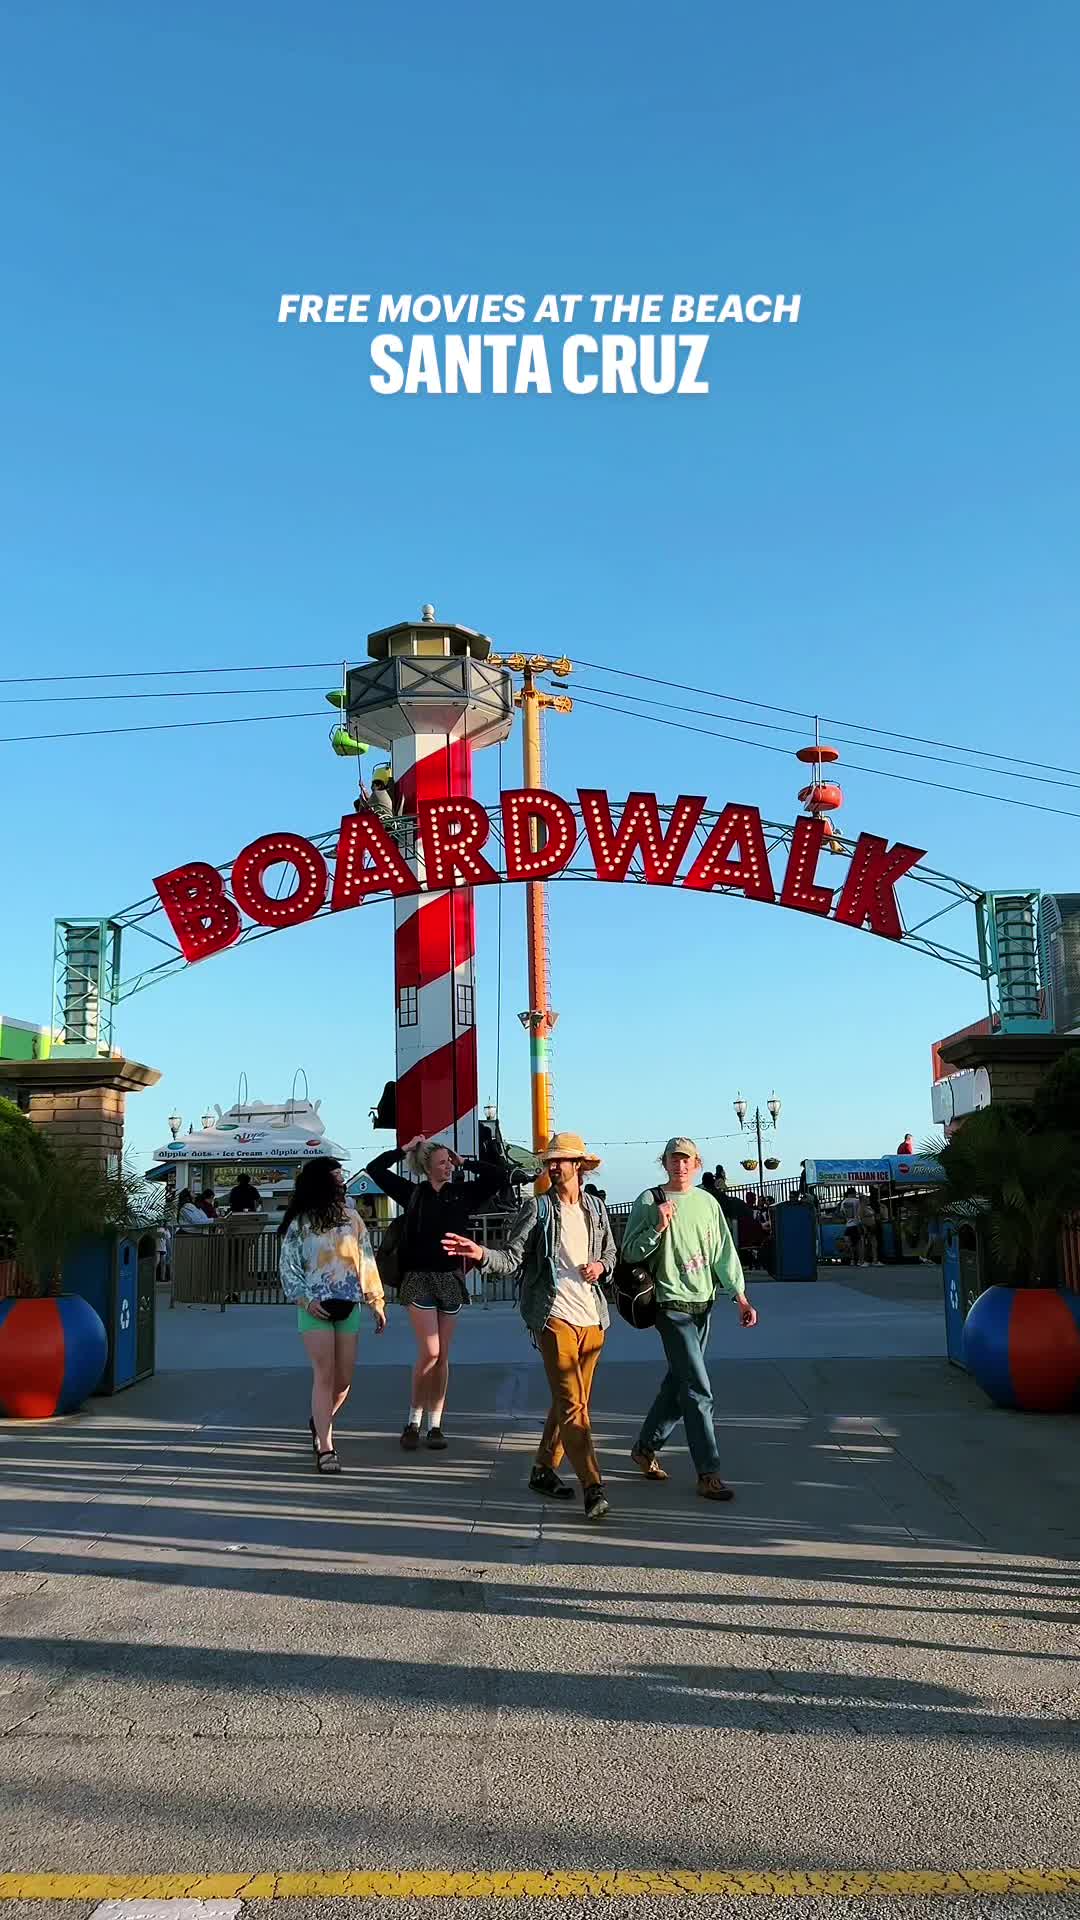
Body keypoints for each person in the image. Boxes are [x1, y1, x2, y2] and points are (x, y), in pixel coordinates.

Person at [443, 1132, 617, 1521]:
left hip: (593, 1317)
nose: (552, 1167)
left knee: (571, 1402)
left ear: (578, 1166)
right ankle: (593, 1486)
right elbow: (512, 1258)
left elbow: (610, 1251)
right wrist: (480, 1253)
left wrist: (602, 1266)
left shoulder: (595, 1208)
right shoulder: (537, 1209)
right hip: (553, 1315)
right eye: (548, 1161)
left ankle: (542, 1468)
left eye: (560, 1161)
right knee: (574, 1406)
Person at [623, 1137, 758, 1502]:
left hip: (704, 1302)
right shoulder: (649, 1201)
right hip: (670, 1305)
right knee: (699, 1389)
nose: (680, 1166)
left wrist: (740, 1297)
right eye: (673, 1159)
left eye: (687, 1160)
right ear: (664, 1163)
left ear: (697, 1164)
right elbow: (628, 1251)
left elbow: (723, 1253)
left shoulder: (707, 1202)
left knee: (678, 1383)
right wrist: (658, 1227)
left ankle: (645, 1449)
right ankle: (708, 1472)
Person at [366, 1134, 505, 1451]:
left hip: (449, 1279)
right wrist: (404, 1150)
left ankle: (435, 1425)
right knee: (429, 1352)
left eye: (449, 1162)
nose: (448, 1167)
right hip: (418, 1278)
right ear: (427, 1167)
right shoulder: (413, 1193)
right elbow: (375, 1168)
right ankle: (413, 1420)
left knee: (443, 1355)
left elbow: (497, 1176)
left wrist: (465, 1161)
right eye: (442, 1162)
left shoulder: (463, 1193)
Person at [277, 1156, 385, 1474]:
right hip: (314, 1306)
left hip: (348, 1303)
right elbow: (288, 1265)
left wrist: (376, 1301)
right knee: (323, 1374)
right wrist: (304, 1299)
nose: (341, 1180)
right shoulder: (300, 1221)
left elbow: (365, 1259)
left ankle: (319, 1420)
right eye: (336, 1175)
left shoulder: (352, 1218)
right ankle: (326, 1446)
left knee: (344, 1380)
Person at [840, 1187, 864, 1266]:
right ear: (853, 1193)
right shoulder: (857, 1201)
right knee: (859, 1244)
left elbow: (842, 1214)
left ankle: (853, 1260)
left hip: (848, 1225)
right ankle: (860, 1261)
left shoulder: (843, 1202)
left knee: (851, 1244)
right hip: (856, 1224)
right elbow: (860, 1212)